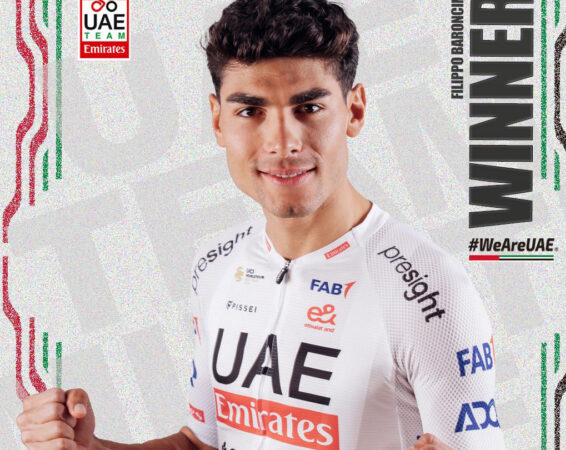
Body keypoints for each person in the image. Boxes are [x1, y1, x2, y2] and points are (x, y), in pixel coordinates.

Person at [17, 0, 506, 448]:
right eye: (250, 111)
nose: (282, 142)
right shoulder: (215, 266)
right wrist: (93, 449)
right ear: (218, 121)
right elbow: (201, 443)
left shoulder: (427, 288)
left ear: (354, 110)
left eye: (309, 108)